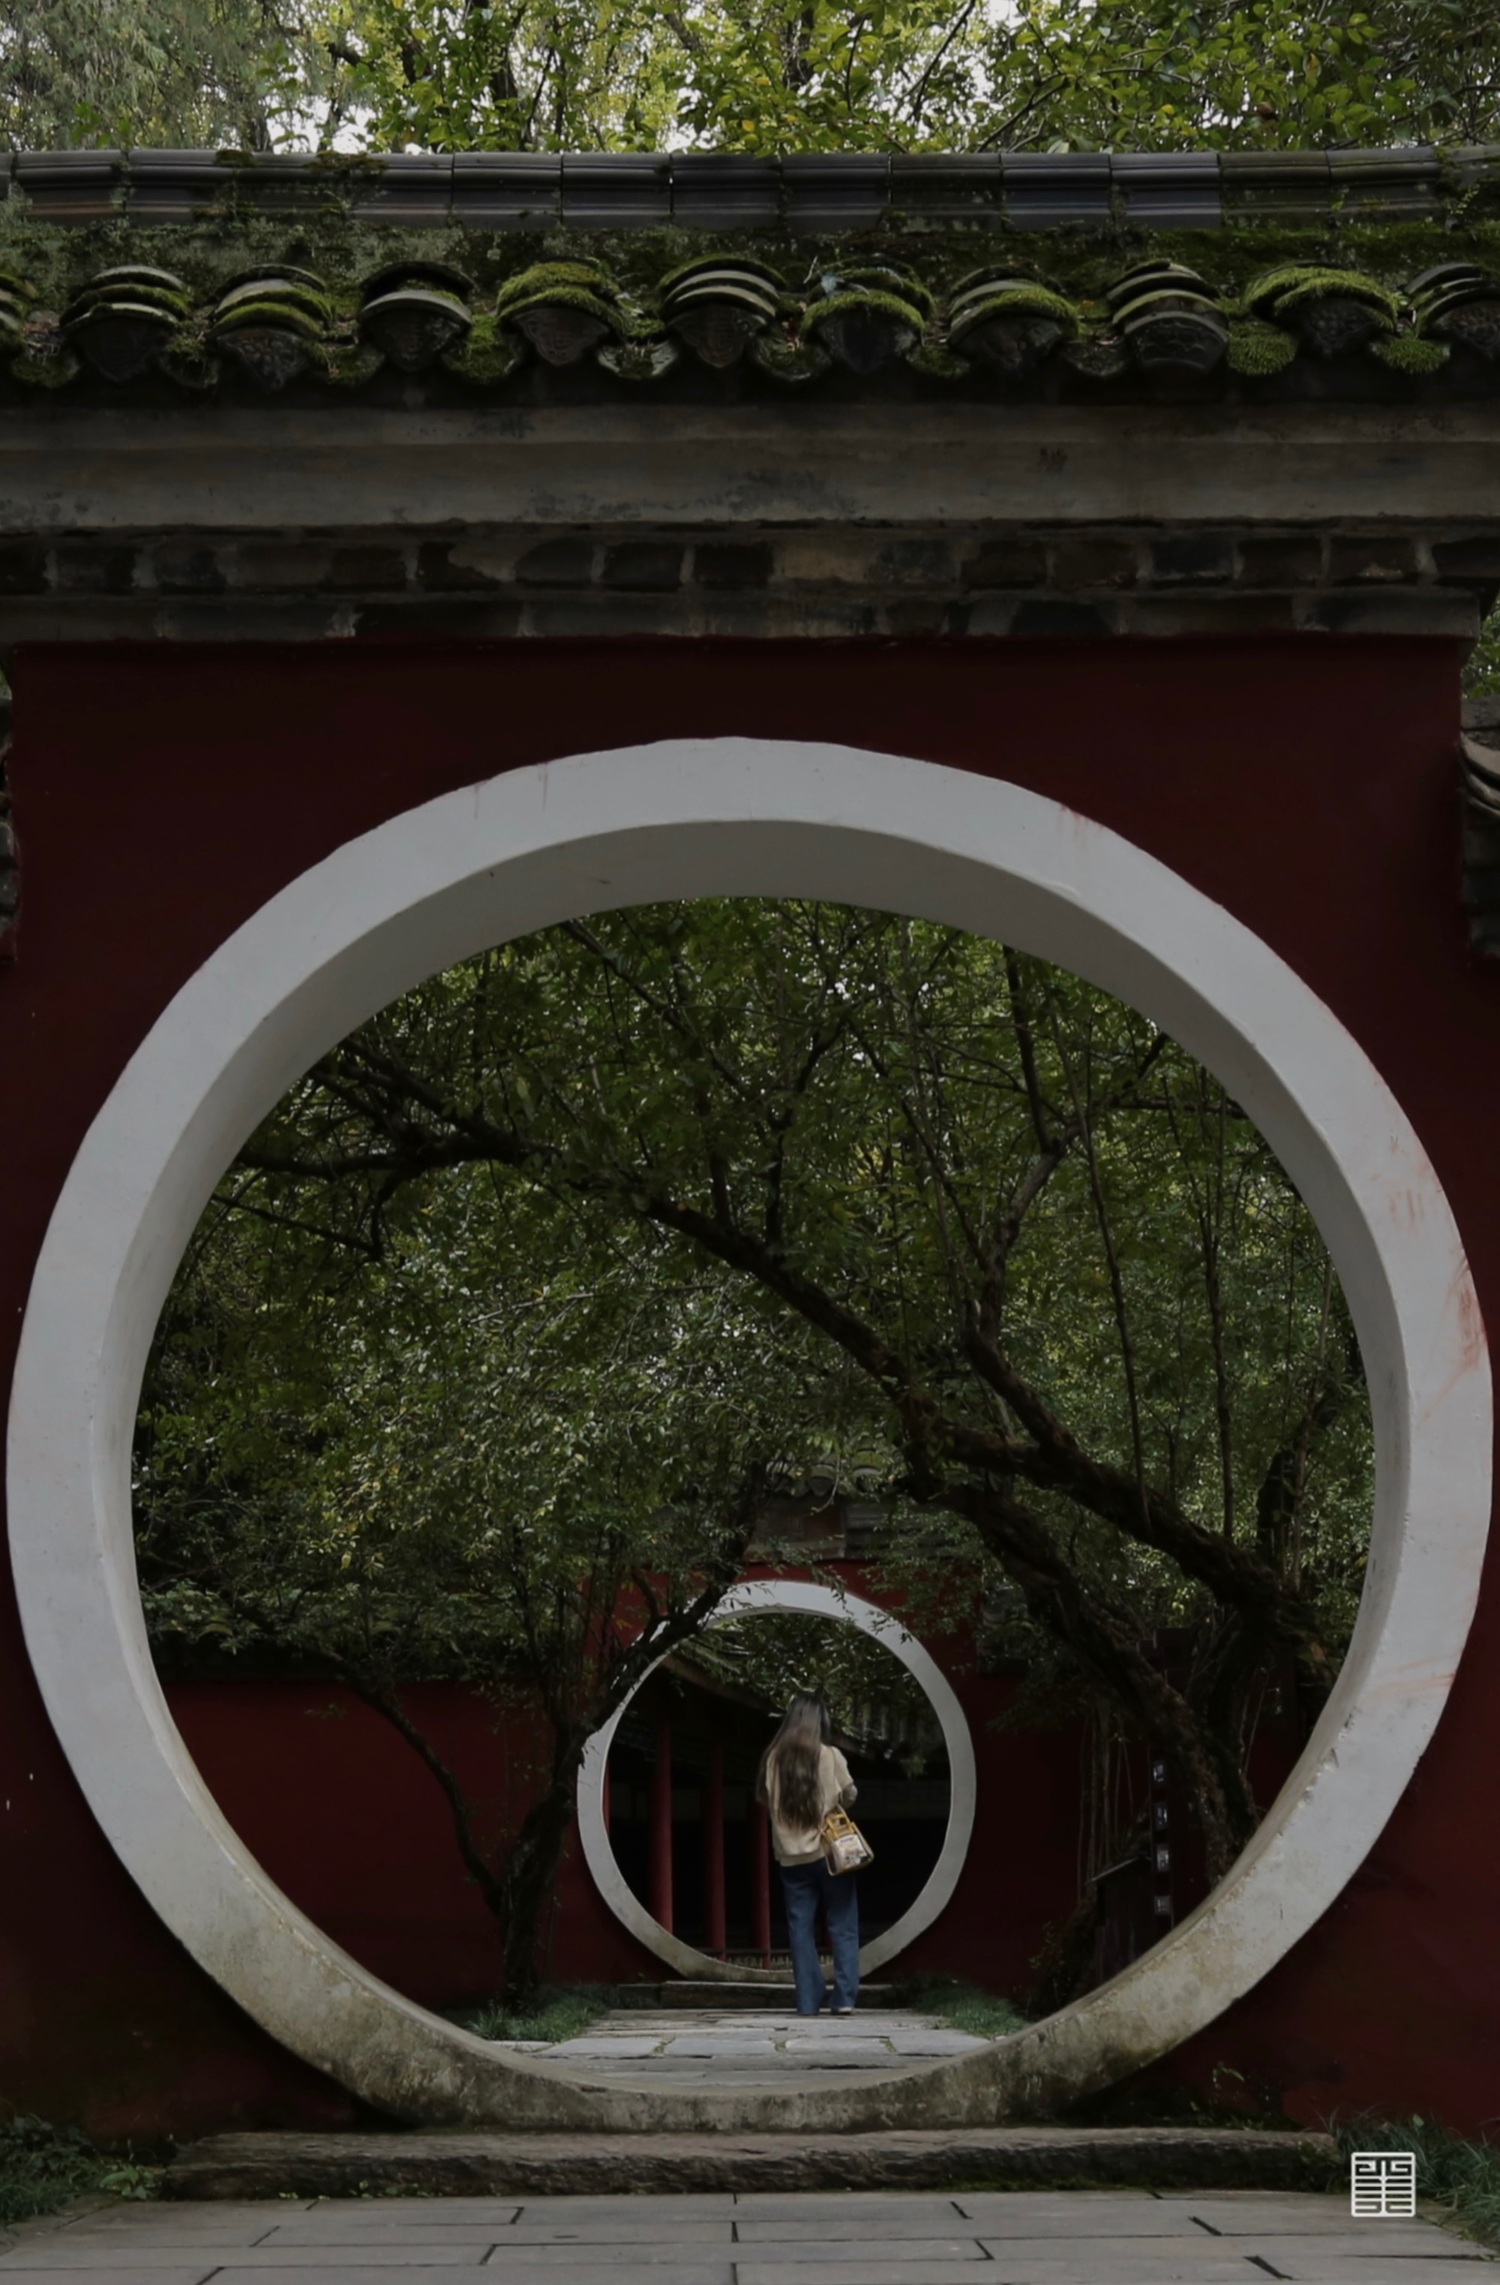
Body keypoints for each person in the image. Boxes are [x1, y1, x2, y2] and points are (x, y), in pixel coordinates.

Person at [757, 1692, 860, 2017]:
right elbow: (849, 1793)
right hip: (831, 1854)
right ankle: (844, 1998)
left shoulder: (773, 1759)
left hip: (791, 1858)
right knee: (842, 1923)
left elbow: (766, 1798)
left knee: (799, 1928)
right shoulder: (829, 1755)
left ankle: (807, 2000)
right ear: (819, 1722)